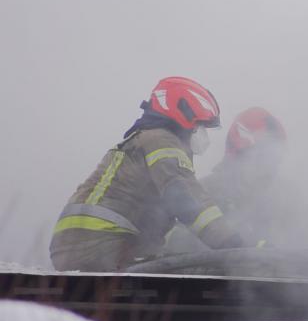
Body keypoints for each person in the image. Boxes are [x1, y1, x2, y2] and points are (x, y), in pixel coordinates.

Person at [50, 77, 244, 272]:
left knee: (179, 260)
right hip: (104, 244)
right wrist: (235, 245)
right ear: (183, 114)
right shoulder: (162, 139)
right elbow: (185, 198)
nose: (204, 135)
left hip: (77, 245)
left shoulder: (145, 139)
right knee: (194, 275)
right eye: (201, 127)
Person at [162, 106, 287, 253]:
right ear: (237, 155)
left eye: (273, 159)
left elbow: (306, 243)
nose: (268, 168)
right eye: (260, 157)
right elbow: (172, 243)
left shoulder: (286, 198)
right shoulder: (202, 192)